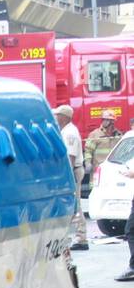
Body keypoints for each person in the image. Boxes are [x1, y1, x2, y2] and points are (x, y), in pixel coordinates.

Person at [55, 105, 87, 251]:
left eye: (58, 115)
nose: (55, 117)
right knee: (73, 205)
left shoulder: (70, 133)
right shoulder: (66, 130)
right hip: (73, 170)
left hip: (73, 171)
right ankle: (78, 237)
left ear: (64, 117)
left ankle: (81, 238)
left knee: (76, 205)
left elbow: (70, 157)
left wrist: (65, 177)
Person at [85, 109, 123, 175]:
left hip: (114, 170)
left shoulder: (118, 135)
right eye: (103, 119)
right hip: (99, 170)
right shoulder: (95, 134)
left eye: (106, 119)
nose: (103, 121)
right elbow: (88, 151)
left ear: (112, 121)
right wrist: (87, 163)